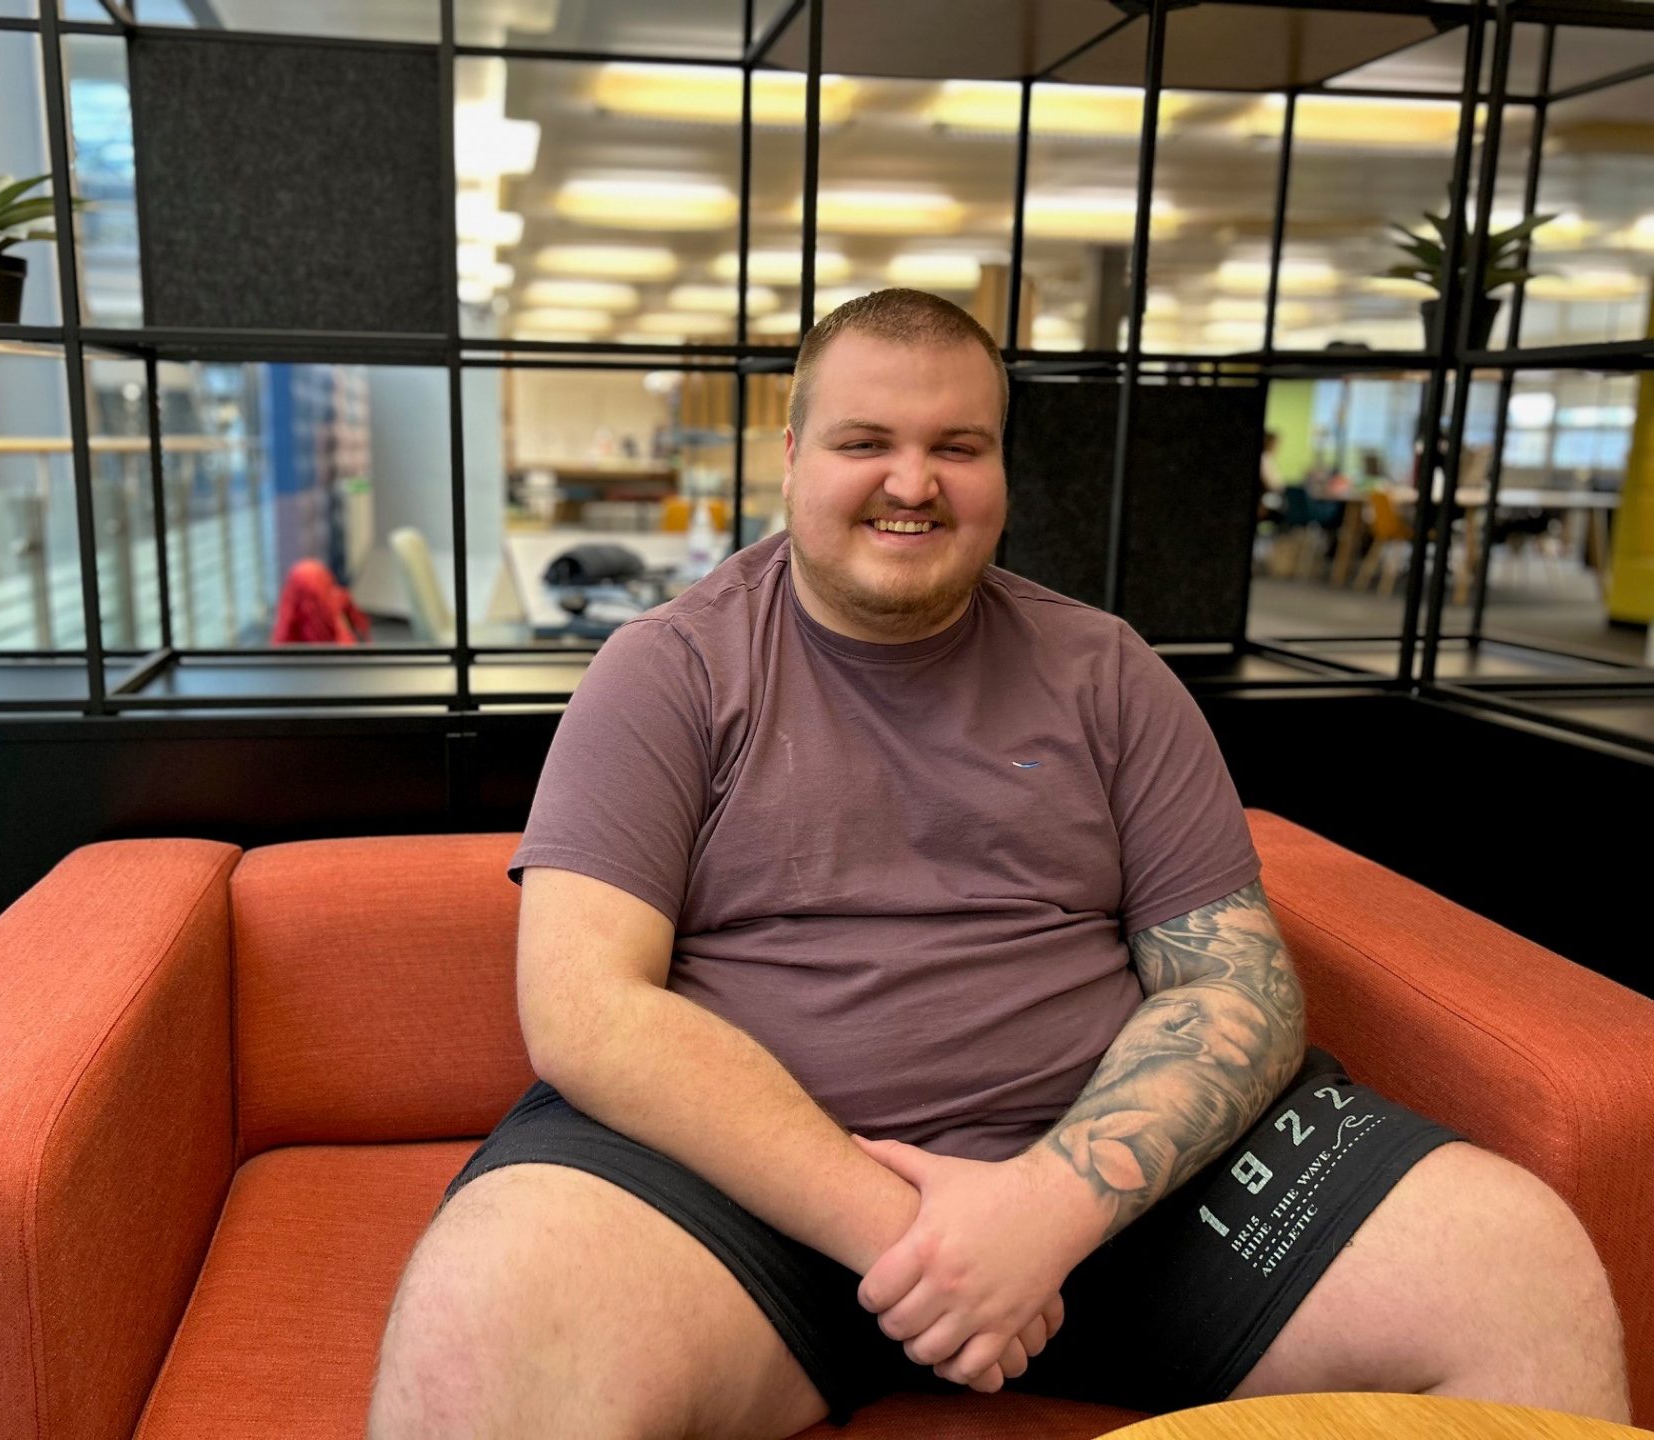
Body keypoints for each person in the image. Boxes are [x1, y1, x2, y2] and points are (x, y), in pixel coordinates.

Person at [367, 290, 1630, 1438]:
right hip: (743, 1197)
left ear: (1000, 468)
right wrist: (927, 1245)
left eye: (957, 448)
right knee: (482, 1340)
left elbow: (1239, 991)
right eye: (867, 442)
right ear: (794, 455)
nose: (911, 483)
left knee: (1521, 1270)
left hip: (1113, 1198)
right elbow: (587, 1009)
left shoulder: (1107, 671)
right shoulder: (670, 670)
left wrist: (1039, 1216)